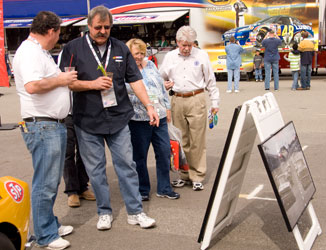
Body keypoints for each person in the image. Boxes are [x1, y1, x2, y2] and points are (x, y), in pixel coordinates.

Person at [59, 5, 158, 231]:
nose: (103, 31)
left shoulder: (121, 48)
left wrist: (149, 106)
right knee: (96, 170)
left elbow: (135, 80)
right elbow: (67, 81)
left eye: (107, 27)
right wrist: (91, 84)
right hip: (87, 120)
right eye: (98, 27)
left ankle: (135, 212)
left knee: (127, 165)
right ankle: (104, 212)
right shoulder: (73, 48)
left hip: (118, 118)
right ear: (88, 26)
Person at [13, 11, 77, 250]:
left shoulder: (37, 51)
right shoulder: (30, 52)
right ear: (51, 31)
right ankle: (45, 235)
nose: (58, 37)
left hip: (48, 123)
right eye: (59, 32)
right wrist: (62, 80)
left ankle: (47, 223)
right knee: (46, 182)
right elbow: (32, 86)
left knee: (49, 180)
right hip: (42, 124)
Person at [159, 26, 220, 191]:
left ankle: (197, 175)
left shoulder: (201, 55)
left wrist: (215, 103)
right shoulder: (170, 57)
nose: (186, 48)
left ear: (194, 43)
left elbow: (210, 81)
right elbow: (159, 78)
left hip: (196, 98)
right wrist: (164, 85)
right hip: (177, 99)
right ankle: (183, 175)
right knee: (180, 140)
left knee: (197, 140)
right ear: (177, 42)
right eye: (183, 44)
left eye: (190, 45)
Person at [125, 38, 180, 201]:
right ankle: (142, 189)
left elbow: (160, 88)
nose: (139, 56)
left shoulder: (150, 65)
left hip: (160, 116)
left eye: (142, 53)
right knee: (139, 156)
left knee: (163, 152)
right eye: (136, 53)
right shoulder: (125, 69)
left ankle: (164, 187)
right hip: (138, 118)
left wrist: (167, 108)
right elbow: (125, 90)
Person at [63, 112, 96, 207]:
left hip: (84, 111)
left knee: (85, 151)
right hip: (66, 113)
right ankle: (72, 191)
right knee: (68, 152)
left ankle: (83, 187)